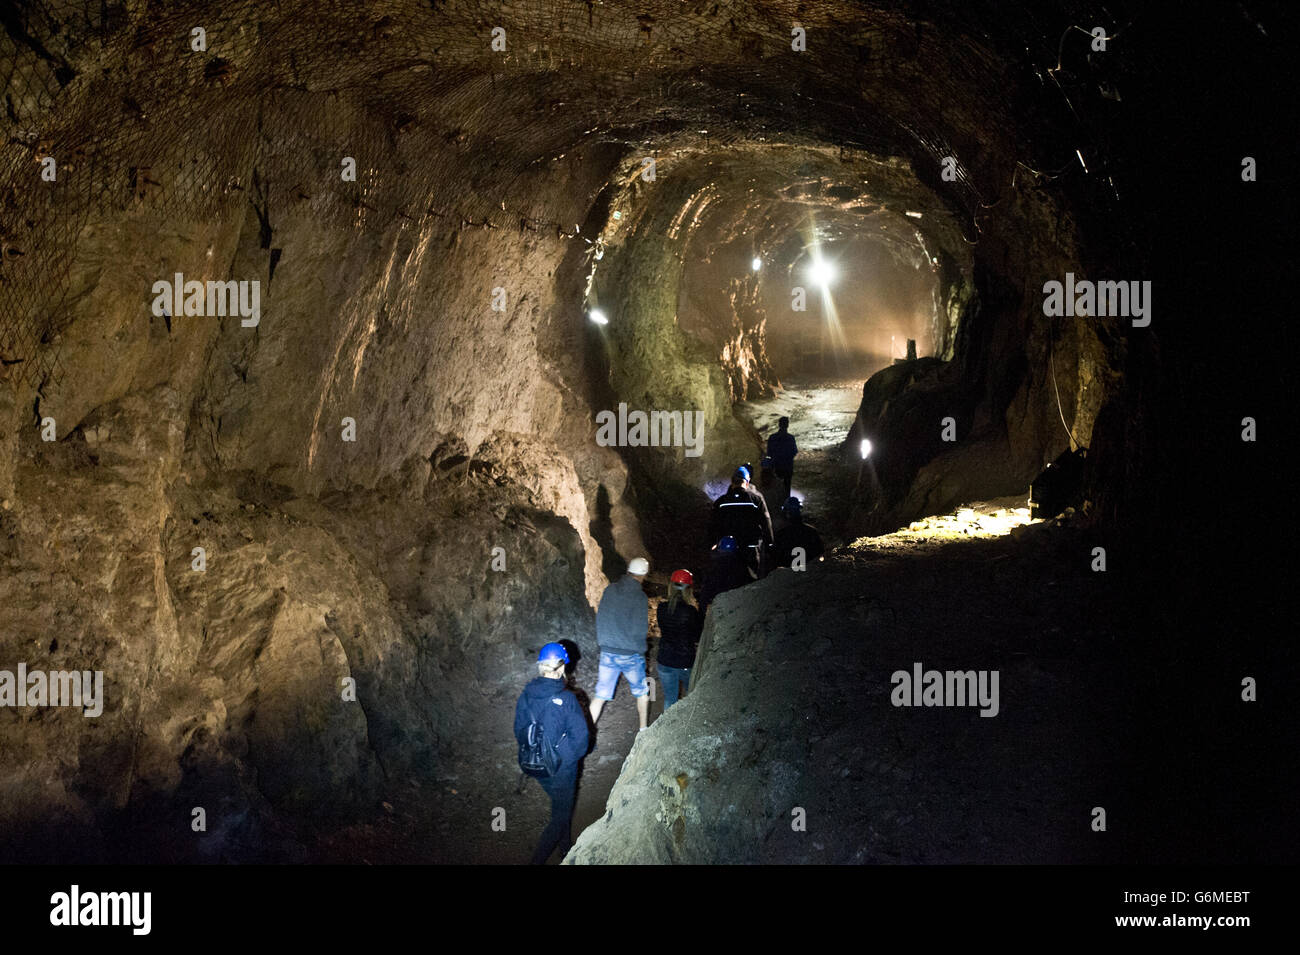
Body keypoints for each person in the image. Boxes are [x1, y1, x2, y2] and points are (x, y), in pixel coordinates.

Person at [514, 642, 589, 865]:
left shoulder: (526, 695)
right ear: (561, 668)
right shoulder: (567, 700)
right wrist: (561, 760)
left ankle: (565, 848)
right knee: (560, 817)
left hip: (533, 766)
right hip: (560, 770)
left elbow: (519, 731)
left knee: (561, 807)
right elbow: (581, 740)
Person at [590, 556, 651, 731]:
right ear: (643, 575)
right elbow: (640, 629)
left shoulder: (610, 589)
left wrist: (605, 643)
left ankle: (586, 733)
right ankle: (643, 730)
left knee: (600, 695)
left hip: (608, 652)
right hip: (631, 654)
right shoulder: (640, 597)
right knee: (642, 692)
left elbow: (602, 617)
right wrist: (642, 651)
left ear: (628, 571)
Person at [707, 466, 774, 577]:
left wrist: (712, 543)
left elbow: (712, 525)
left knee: (727, 576)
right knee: (750, 578)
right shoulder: (756, 500)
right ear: (747, 483)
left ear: (732, 482)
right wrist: (770, 544)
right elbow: (766, 523)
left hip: (726, 549)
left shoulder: (721, 501)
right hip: (750, 548)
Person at [655, 570, 703, 709]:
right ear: (689, 590)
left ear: (671, 586)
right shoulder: (690, 611)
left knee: (670, 700)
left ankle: (668, 729)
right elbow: (697, 635)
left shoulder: (661, 608)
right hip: (685, 661)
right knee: (690, 699)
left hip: (665, 659)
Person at [697, 536, 754, 615]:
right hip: (739, 609)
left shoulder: (715, 569)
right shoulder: (742, 568)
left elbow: (706, 592)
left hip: (720, 610)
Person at [772, 496, 825, 569]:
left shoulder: (781, 534)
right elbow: (820, 555)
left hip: (787, 577)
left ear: (786, 513)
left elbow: (775, 559)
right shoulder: (811, 532)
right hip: (806, 576)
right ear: (800, 511)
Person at [766, 417, 798, 498]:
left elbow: (769, 452)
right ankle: (785, 503)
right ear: (787, 425)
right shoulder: (790, 438)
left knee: (775, 487)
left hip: (775, 466)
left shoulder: (772, 437)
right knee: (786, 487)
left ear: (779, 425)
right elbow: (794, 451)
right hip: (787, 466)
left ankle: (776, 503)